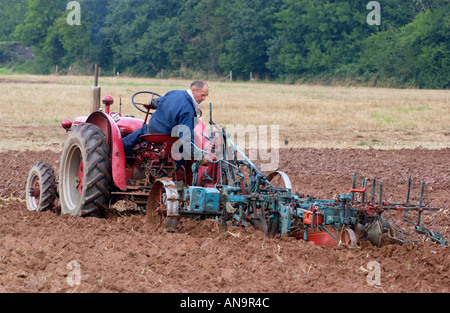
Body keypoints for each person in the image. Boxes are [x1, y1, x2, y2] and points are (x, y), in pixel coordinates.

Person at [122, 80, 210, 163]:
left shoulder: (174, 93)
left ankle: (120, 148)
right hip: (168, 136)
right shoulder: (188, 110)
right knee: (184, 152)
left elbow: (158, 101)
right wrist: (199, 157)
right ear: (193, 90)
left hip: (152, 130)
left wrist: (151, 104)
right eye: (202, 95)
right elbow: (185, 138)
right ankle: (178, 169)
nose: (204, 99)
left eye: (205, 96)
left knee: (137, 134)